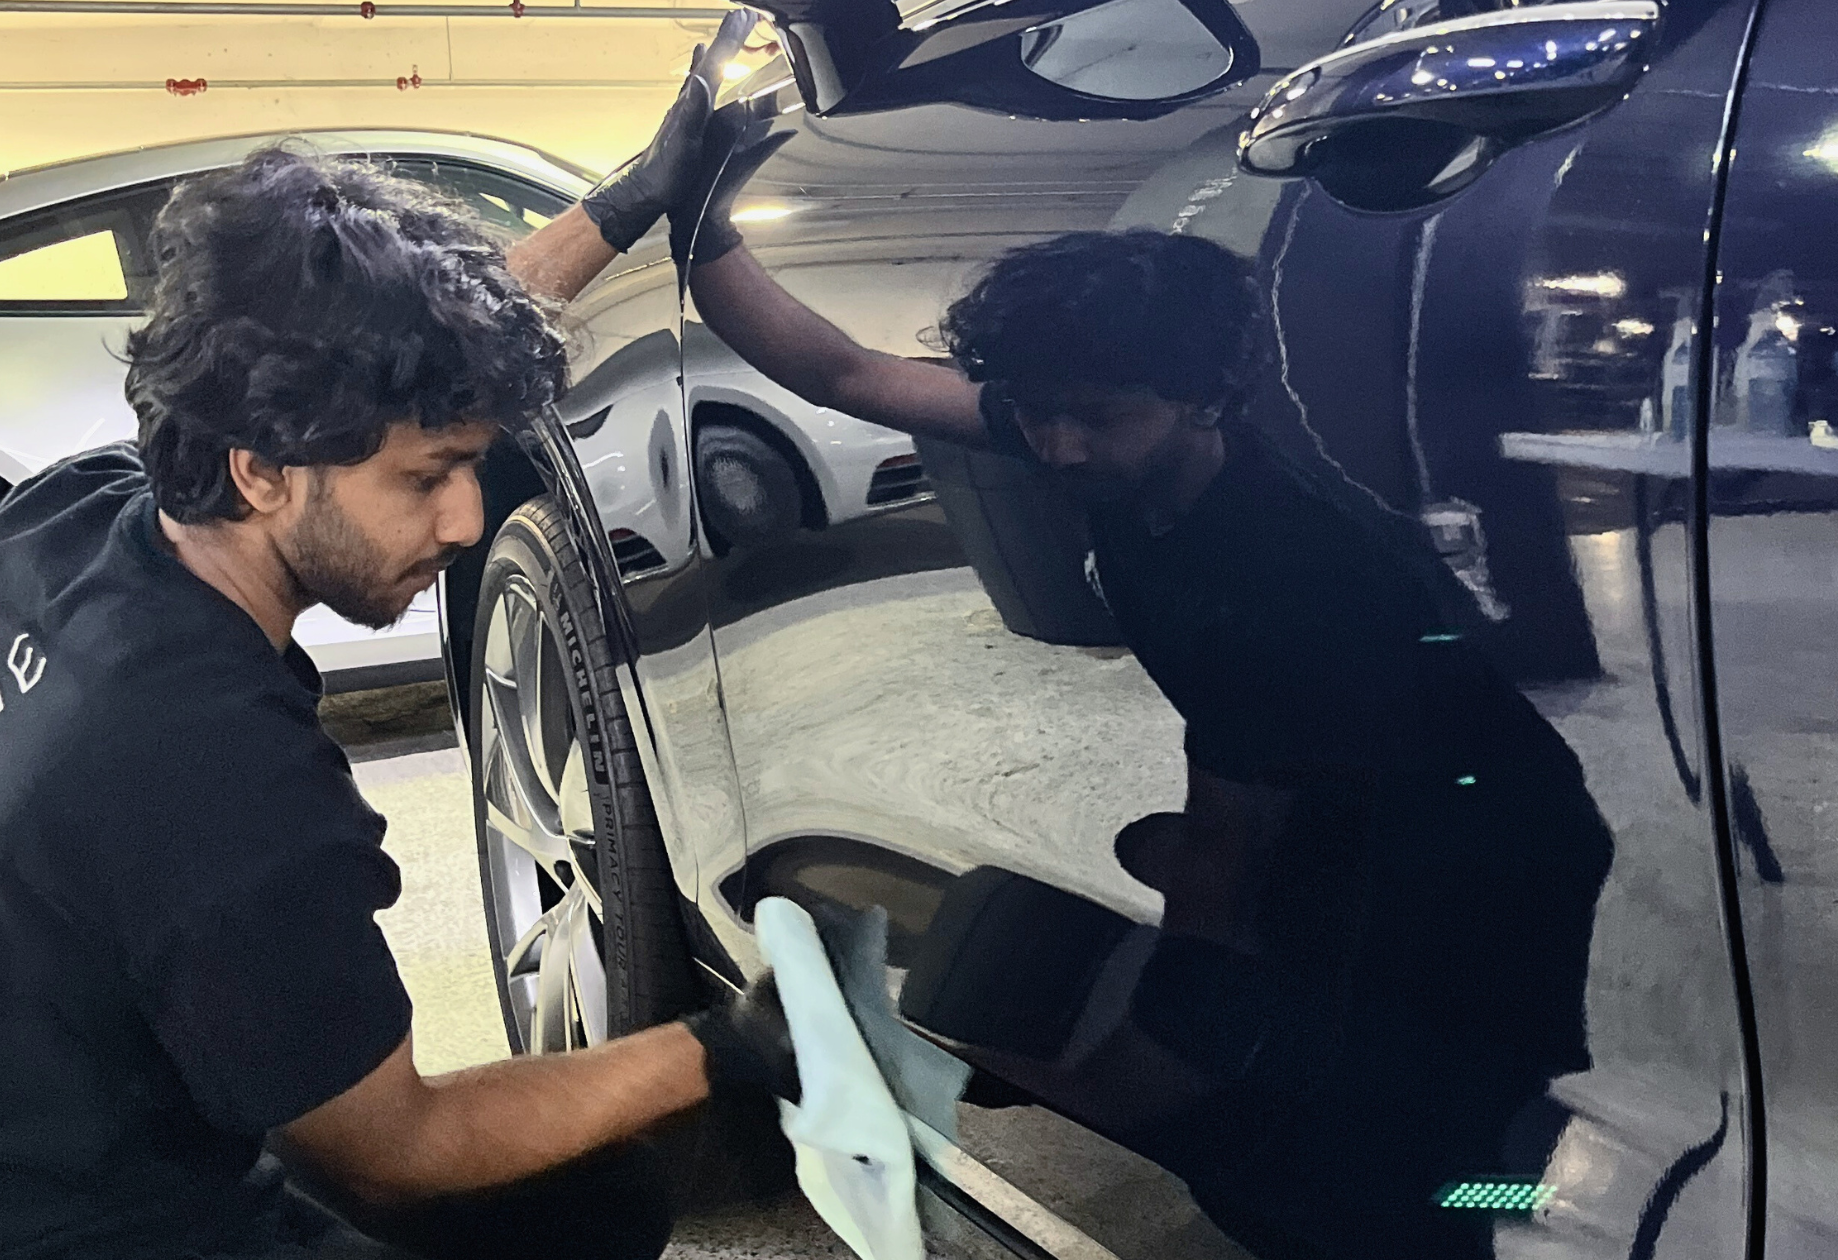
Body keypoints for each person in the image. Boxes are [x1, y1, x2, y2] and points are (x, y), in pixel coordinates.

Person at [664, 118, 1617, 1259]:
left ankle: (1521, 1215)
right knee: (1291, 1081)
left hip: (1486, 839)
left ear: (1202, 396)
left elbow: (1221, 864)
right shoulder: (1108, 419)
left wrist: (1090, 1072)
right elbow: (844, 371)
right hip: (1332, 795)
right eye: (1032, 411)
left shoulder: (1274, 567)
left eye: (1093, 418)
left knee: (1369, 1148)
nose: (1056, 450)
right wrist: (695, 220)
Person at [0, 17, 798, 1258]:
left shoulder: (75, 514)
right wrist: (734, 1044)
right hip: (113, 1223)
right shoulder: (207, 771)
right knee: (578, 1199)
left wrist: (633, 199)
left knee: (592, 1192)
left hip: (61, 1113)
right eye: (431, 478)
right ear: (264, 470)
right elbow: (393, 1154)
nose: (469, 516)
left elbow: (418, 379)